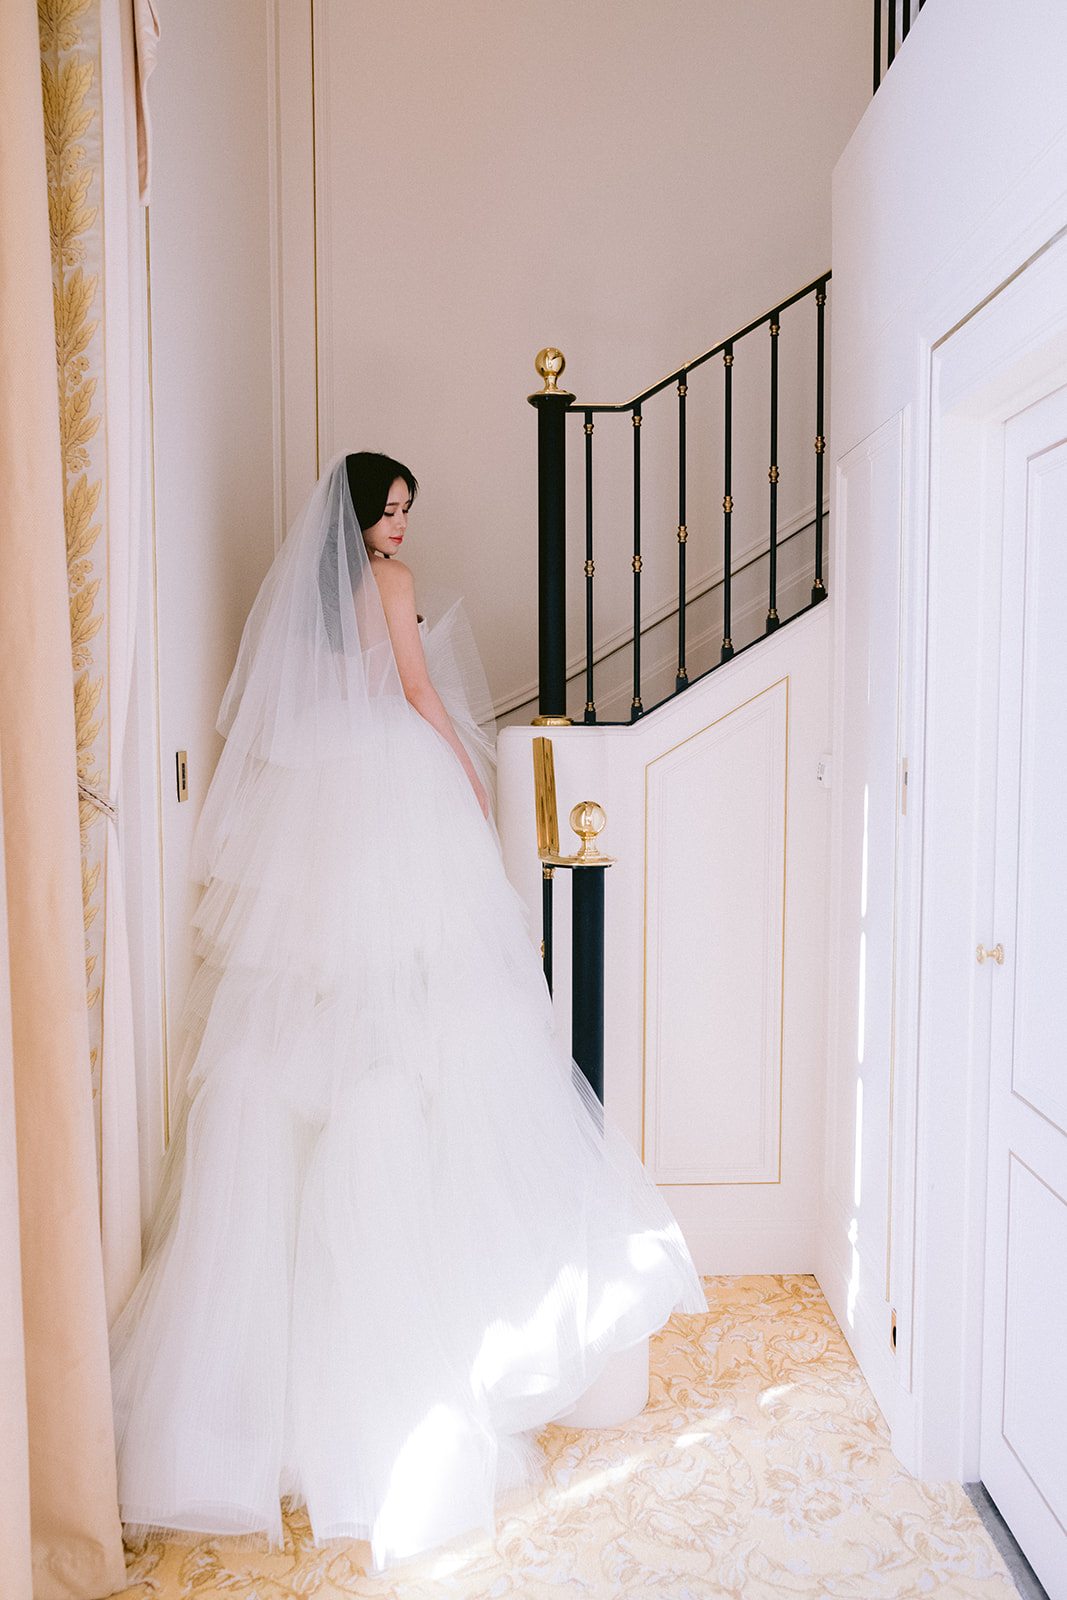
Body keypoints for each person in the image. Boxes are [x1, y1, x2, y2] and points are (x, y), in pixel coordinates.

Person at [109, 452, 704, 1572]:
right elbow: (422, 692)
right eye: (387, 512)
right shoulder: (388, 583)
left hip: (326, 790)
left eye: (401, 515)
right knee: (424, 987)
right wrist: (468, 775)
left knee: (315, 995)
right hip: (394, 780)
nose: (396, 529)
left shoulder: (307, 604)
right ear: (363, 519)